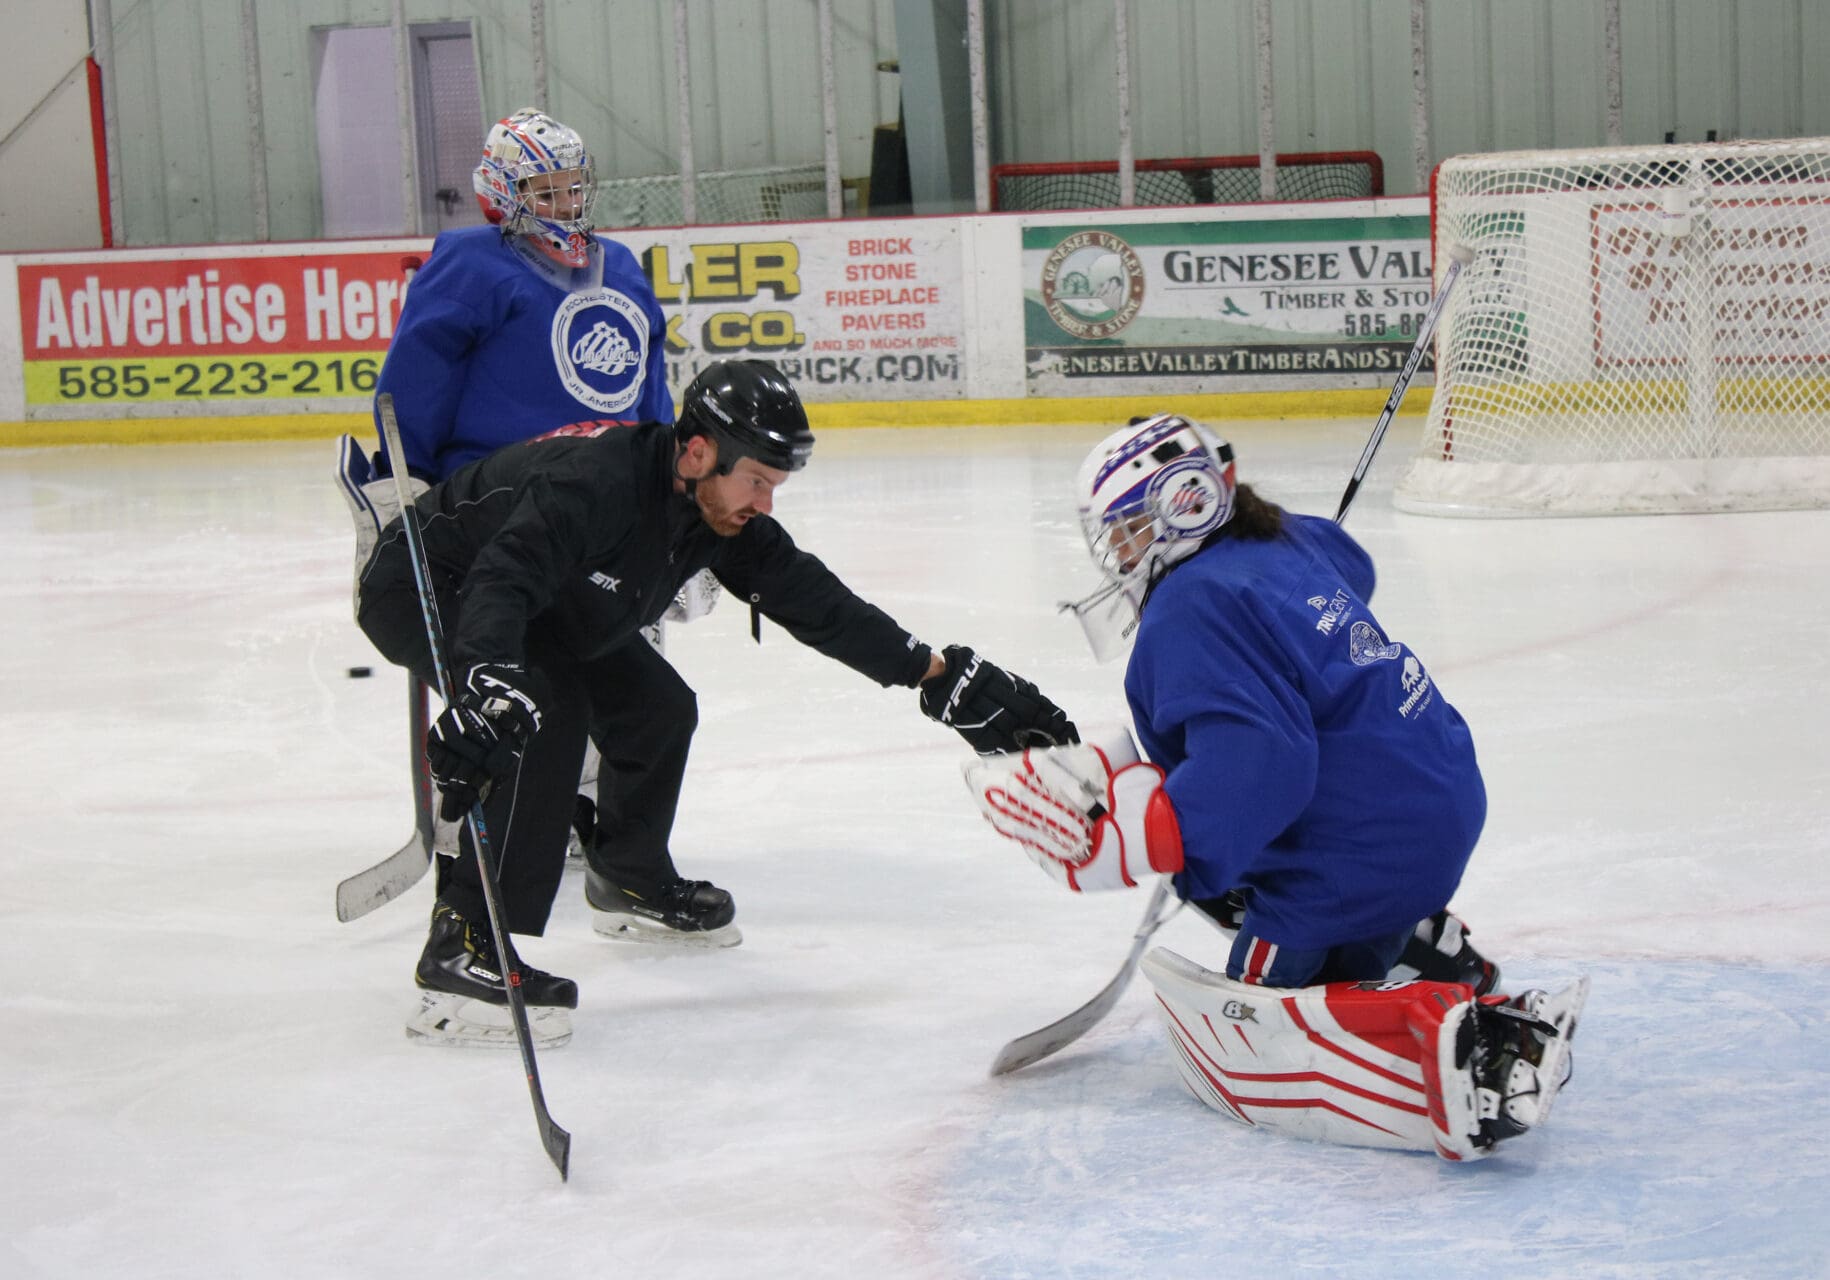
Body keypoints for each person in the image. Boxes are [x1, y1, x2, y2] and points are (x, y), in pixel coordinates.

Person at [356, 359, 1077, 1047]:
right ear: (699, 452)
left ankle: (627, 875)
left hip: (542, 594)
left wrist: (930, 671)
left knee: (657, 706)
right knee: (544, 714)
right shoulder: (596, 482)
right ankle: (464, 946)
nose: (764, 504)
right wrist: (488, 677)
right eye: (758, 482)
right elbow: (503, 577)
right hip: (429, 583)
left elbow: (810, 597)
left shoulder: (712, 513)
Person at [965, 413, 1585, 1161]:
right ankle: (1433, 952)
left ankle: (1459, 1036)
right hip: (1439, 798)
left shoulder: (1188, 609)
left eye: (1125, 526)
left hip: (1358, 855)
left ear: (1180, 507)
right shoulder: (1284, 540)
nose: (1115, 550)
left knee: (1259, 998)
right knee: (1234, 859)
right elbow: (1351, 562)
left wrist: (1152, 836)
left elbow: (1265, 764)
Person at [348, 107, 726, 942]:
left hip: (598, 512)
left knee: (637, 691)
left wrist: (671, 506)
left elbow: (648, 395)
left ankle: (610, 849)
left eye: (571, 186)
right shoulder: (470, 265)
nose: (562, 202)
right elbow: (414, 386)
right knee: (519, 684)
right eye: (542, 188)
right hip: (494, 507)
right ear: (499, 191)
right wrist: (399, 488)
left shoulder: (619, 268)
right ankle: (473, 850)